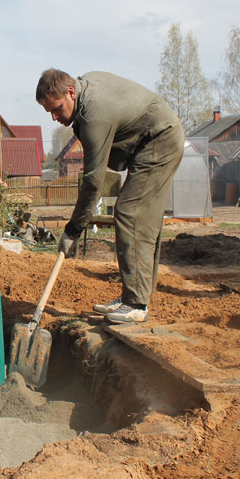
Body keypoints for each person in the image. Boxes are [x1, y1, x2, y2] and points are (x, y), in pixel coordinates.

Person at [36, 69, 184, 323]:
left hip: (160, 139)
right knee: (139, 215)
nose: (54, 117)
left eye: (57, 109)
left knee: (130, 211)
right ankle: (132, 296)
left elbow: (94, 182)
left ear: (71, 93)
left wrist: (72, 231)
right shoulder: (85, 89)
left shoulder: (95, 116)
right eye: (49, 112)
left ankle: (136, 304)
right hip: (146, 142)